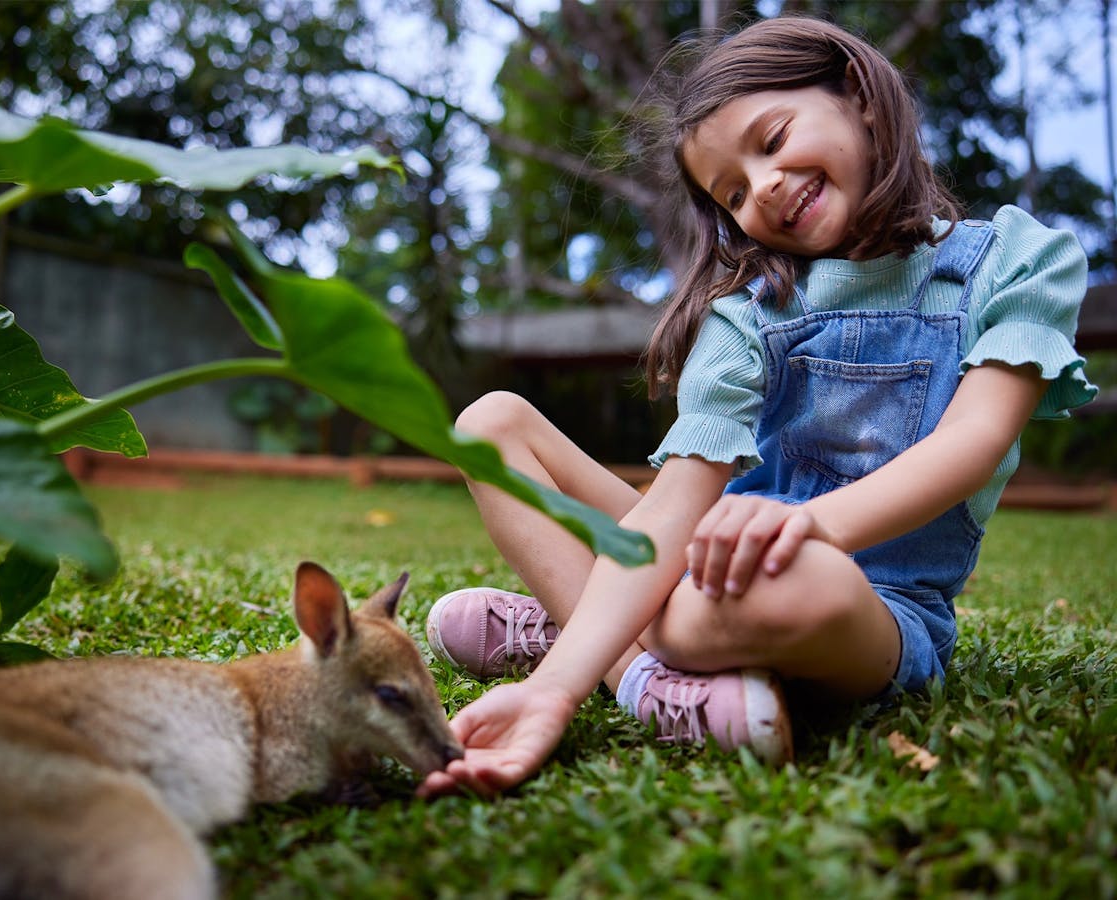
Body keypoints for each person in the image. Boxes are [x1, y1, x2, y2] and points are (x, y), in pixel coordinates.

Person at [417, 15, 1096, 799]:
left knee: (768, 584)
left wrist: (806, 527)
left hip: (862, 604)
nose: (762, 188)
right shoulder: (751, 313)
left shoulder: (1015, 261)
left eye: (772, 140)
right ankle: (633, 673)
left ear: (857, 94)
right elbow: (677, 504)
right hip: (700, 561)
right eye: (732, 192)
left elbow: (975, 438)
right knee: (491, 423)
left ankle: (589, 611)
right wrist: (554, 692)